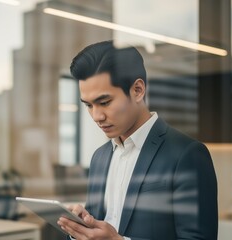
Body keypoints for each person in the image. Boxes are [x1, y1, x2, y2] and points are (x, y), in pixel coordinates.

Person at [57, 40, 218, 240]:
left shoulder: (187, 155)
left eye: (104, 102)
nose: (97, 116)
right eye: (88, 105)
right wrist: (80, 229)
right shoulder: (99, 158)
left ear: (138, 90)